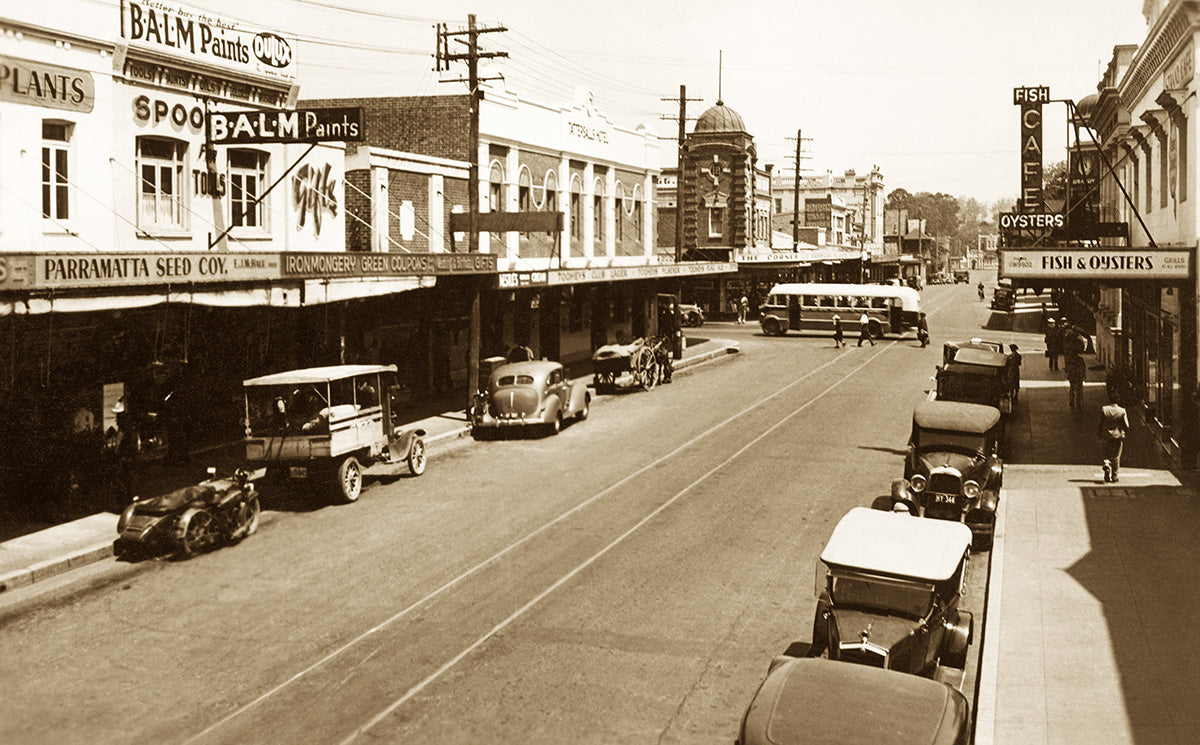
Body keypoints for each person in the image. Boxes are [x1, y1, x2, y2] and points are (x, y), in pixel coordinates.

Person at [1097, 396, 1129, 482]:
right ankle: (1114, 476)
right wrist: (1124, 432)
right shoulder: (1122, 411)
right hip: (1117, 436)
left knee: (1106, 452)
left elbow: (1100, 423)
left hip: (1106, 435)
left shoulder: (1104, 409)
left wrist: (1100, 432)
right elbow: (1126, 425)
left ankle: (1106, 464)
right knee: (1116, 455)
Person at [1063, 321, 1087, 408]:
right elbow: (1083, 369)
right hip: (1078, 374)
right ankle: (1078, 402)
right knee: (1079, 388)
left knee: (1072, 387)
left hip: (1072, 372)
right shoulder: (1080, 360)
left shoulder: (1070, 358)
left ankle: (1072, 400)